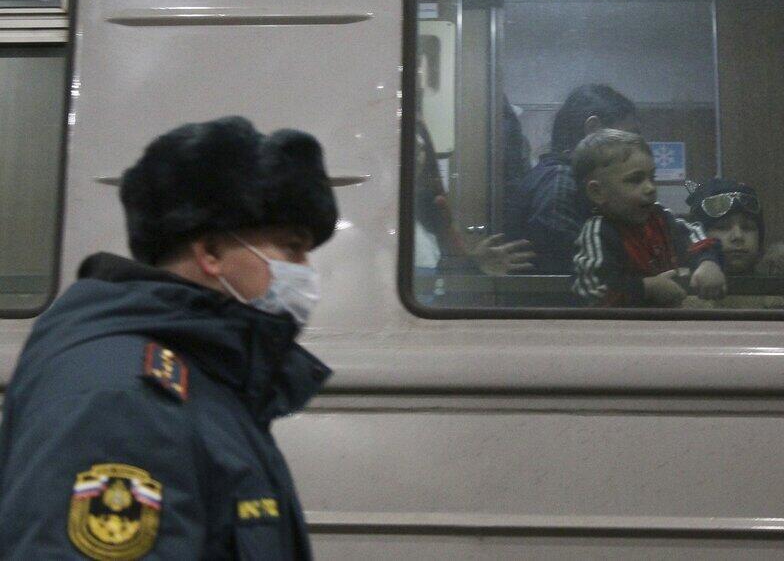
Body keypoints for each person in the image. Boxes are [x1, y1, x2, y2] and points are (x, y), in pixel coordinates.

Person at [0, 117, 337, 559]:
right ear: (211, 253)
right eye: (291, 247)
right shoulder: (123, 401)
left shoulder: (204, 380)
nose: (305, 270)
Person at [571, 129, 726, 307]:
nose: (651, 188)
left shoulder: (659, 217)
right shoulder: (597, 233)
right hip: (620, 330)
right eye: (635, 180)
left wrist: (707, 262)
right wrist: (647, 287)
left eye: (652, 177)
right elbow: (591, 290)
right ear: (597, 192)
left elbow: (693, 233)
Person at [507, 84, 639, 274]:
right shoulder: (561, 181)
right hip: (554, 302)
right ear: (593, 129)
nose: (637, 148)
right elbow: (572, 267)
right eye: (629, 136)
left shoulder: (564, 177)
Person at [414, 120, 534, 284]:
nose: (416, 157)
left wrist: (475, 263)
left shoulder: (434, 206)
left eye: (420, 149)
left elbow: (450, 268)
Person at [681, 178, 784, 310]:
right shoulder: (681, 291)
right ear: (701, 237)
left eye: (747, 228)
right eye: (722, 227)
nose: (738, 236)